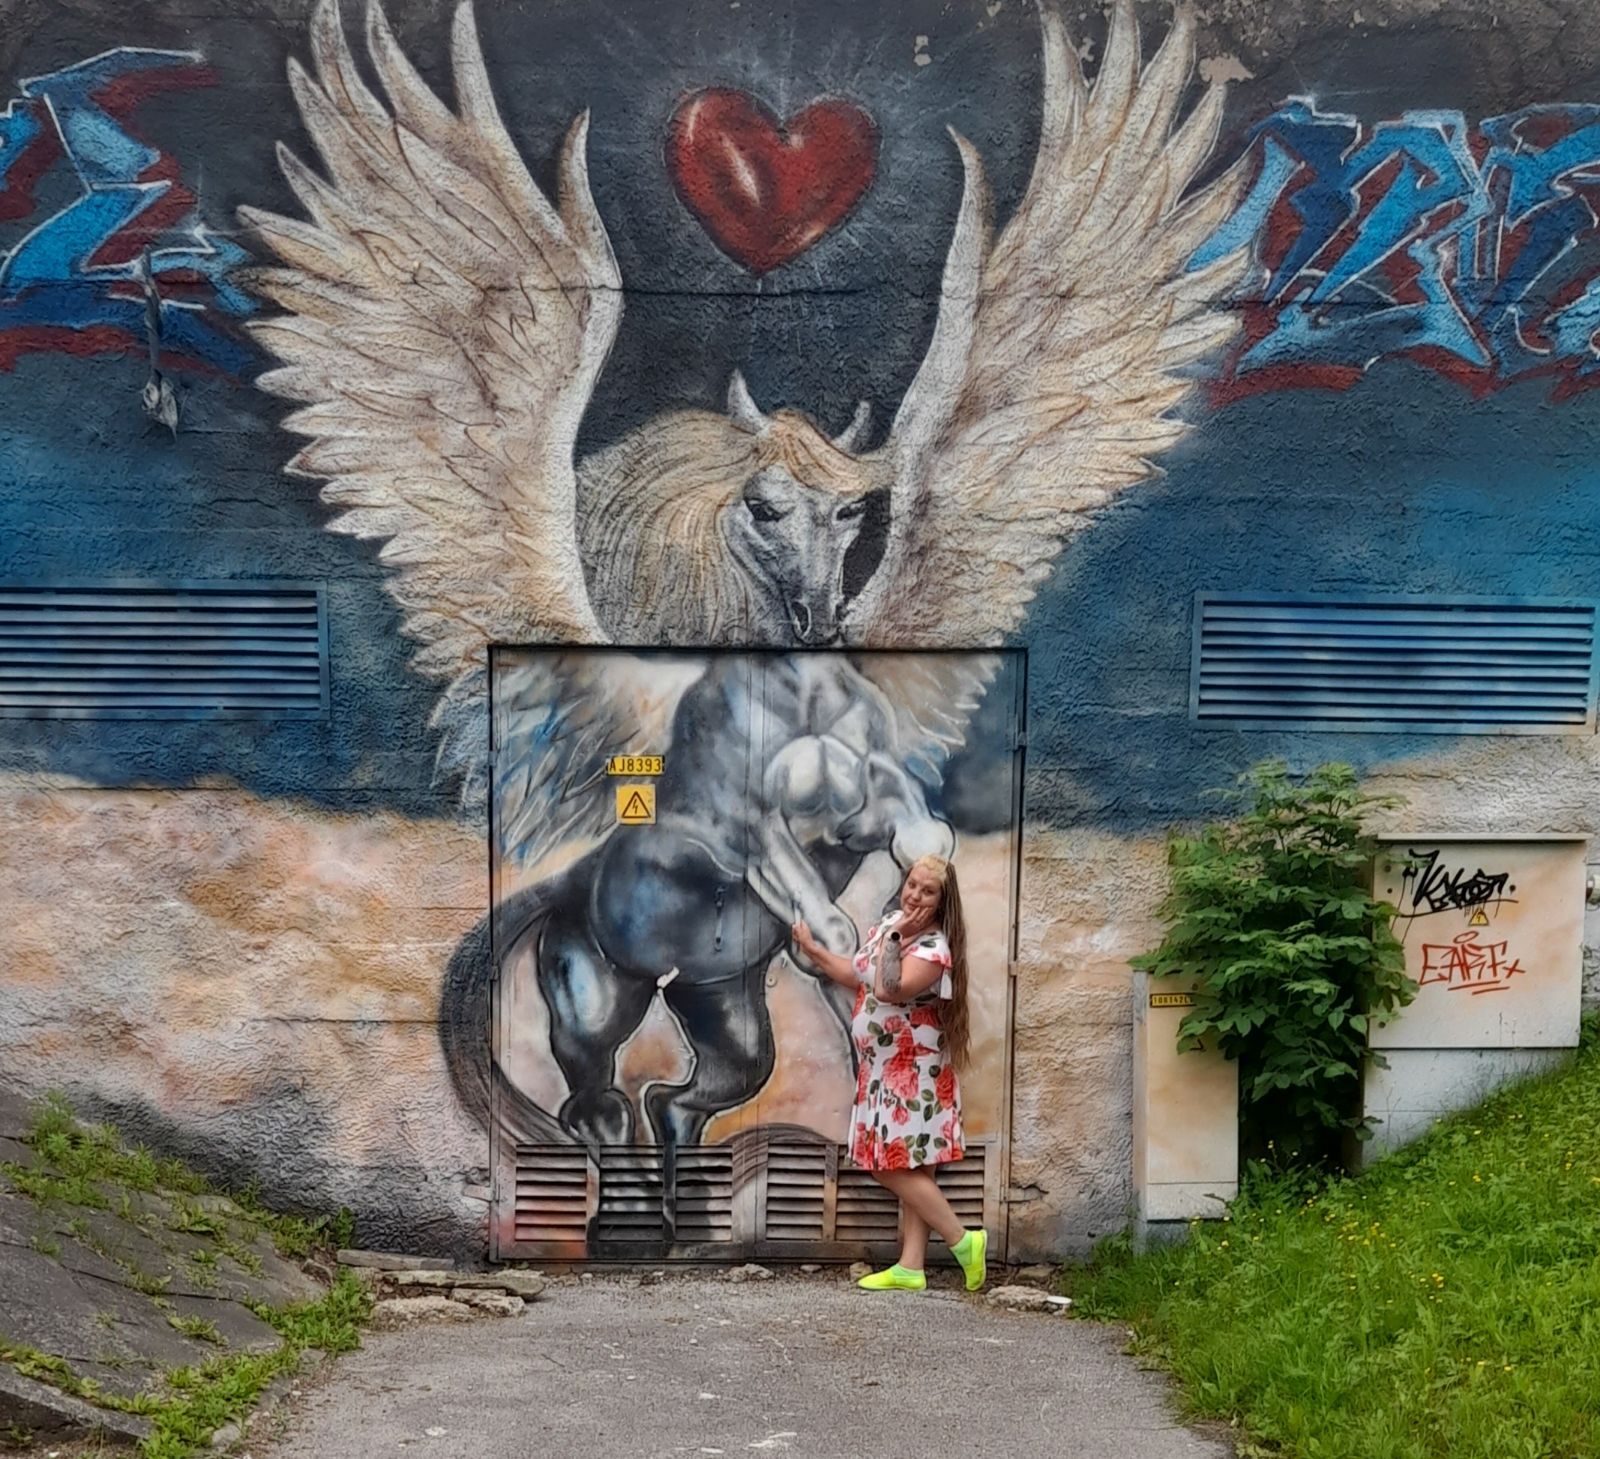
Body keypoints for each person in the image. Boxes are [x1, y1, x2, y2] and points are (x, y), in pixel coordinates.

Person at [791, 854, 987, 1293]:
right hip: (883, 1069)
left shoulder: (933, 949)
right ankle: (911, 1267)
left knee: (885, 1163)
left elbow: (886, 988)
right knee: (915, 1166)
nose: (914, 895)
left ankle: (963, 1240)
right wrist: (814, 951)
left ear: (942, 902)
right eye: (912, 884)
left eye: (927, 891)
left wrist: (899, 937)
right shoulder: (889, 925)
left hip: (914, 1070)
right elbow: (859, 974)